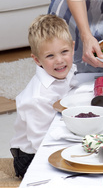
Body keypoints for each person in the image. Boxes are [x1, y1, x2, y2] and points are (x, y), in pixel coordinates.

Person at [10, 14, 77, 178]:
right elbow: (41, 144)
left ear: (73, 48)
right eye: (50, 56)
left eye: (64, 52)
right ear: (37, 60)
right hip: (31, 156)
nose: (59, 60)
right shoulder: (37, 98)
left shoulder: (70, 71)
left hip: (58, 134)